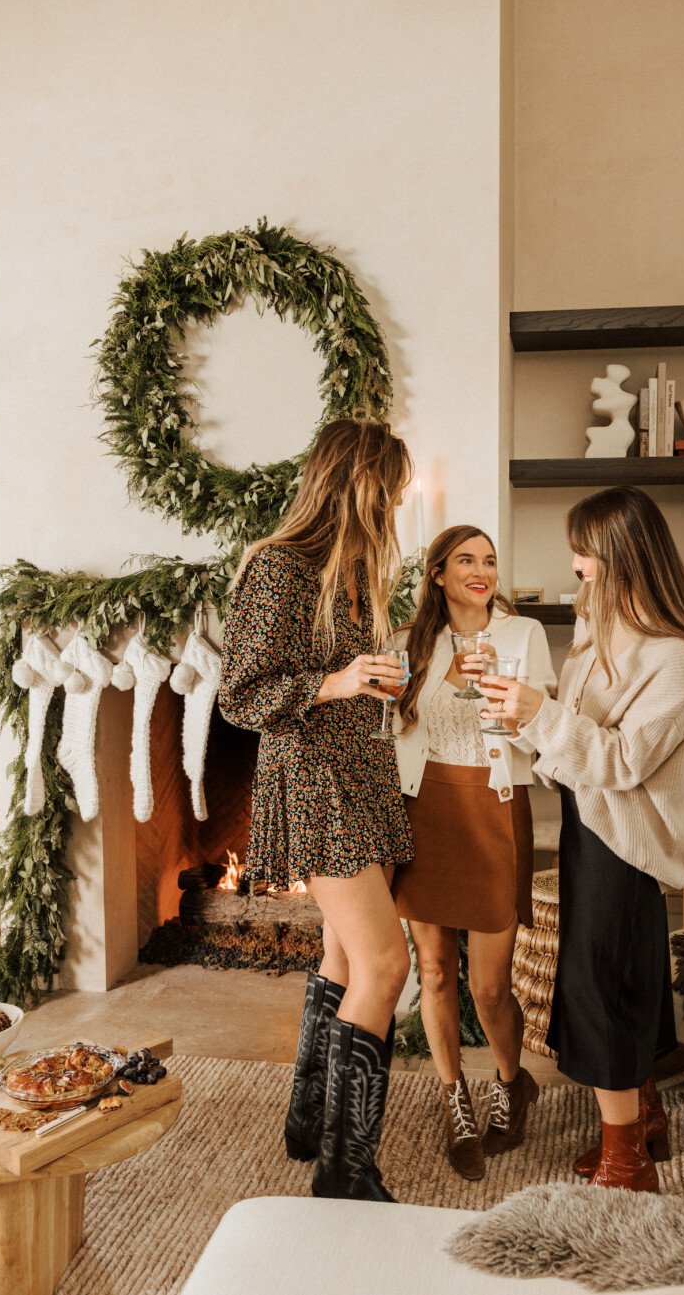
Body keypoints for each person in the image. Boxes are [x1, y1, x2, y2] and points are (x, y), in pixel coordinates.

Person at [478, 486, 684, 1193]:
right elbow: (571, 750)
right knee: (623, 976)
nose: (576, 564)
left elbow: (619, 762)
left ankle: (627, 1162)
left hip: (628, 838)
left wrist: (538, 715)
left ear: (620, 556)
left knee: (600, 985)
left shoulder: (674, 660)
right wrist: (522, 713)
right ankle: (641, 1116)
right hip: (591, 829)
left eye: (585, 551)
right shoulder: (593, 639)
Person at [219, 417, 415, 1203]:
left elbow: (339, 671)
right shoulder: (279, 566)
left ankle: (309, 1120)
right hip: (314, 781)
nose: (395, 504)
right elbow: (239, 695)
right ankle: (346, 1171)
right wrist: (332, 684)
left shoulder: (358, 570)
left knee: (343, 956)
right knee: (386, 962)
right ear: (357, 483)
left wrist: (372, 682)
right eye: (389, 489)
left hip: (360, 772)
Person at [392, 525, 556, 1179]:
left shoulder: (523, 635)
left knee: (489, 986)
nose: (481, 569)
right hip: (425, 806)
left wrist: (503, 703)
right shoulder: (414, 639)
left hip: (493, 805)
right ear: (437, 573)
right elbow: (398, 719)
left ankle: (512, 1083)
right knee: (432, 971)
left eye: (489, 559)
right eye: (466, 559)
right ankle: (451, 1094)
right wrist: (441, 678)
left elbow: (541, 725)